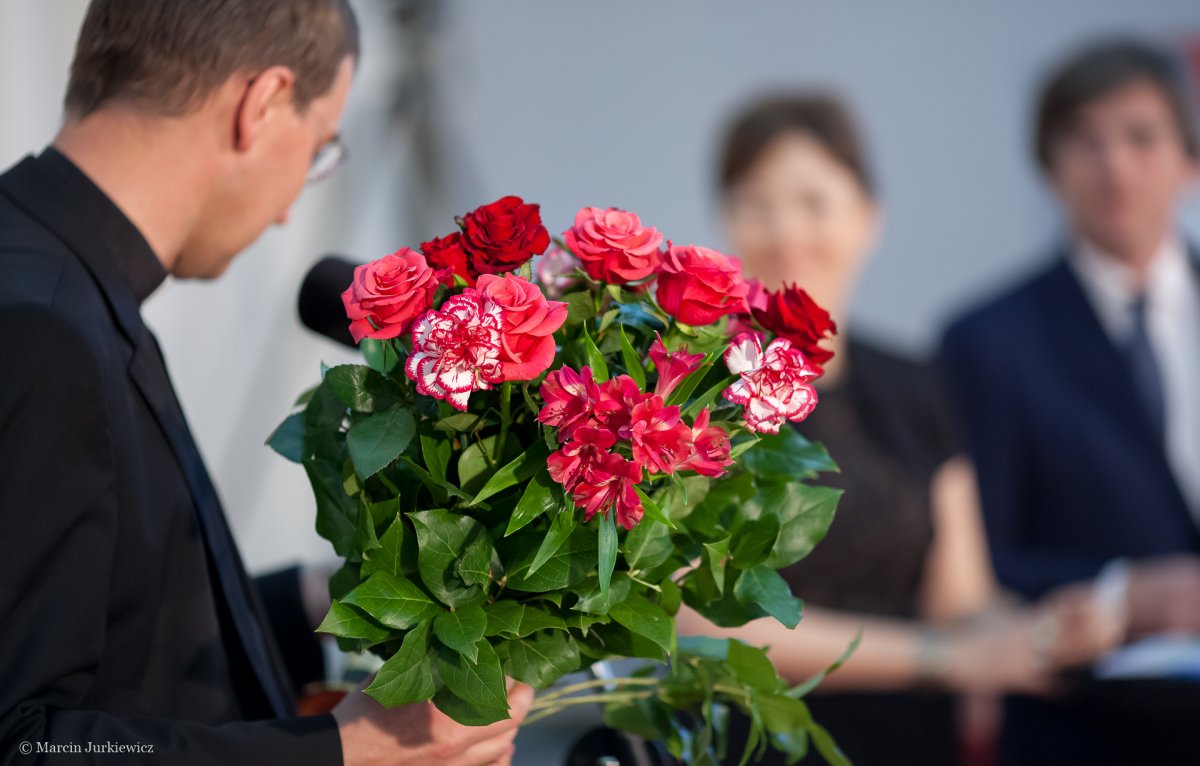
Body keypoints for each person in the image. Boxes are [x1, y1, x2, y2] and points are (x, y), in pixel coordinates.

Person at [0, 2, 531, 765]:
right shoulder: (42, 326)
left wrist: (333, 594)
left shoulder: (53, 283)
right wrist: (342, 751)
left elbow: (115, 636)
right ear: (263, 102)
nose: (288, 213)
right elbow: (23, 743)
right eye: (319, 149)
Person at [676, 92, 1123, 765]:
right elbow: (697, 618)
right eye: (755, 204)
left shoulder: (914, 387)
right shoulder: (693, 390)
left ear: (868, 219)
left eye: (813, 203)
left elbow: (961, 599)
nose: (786, 230)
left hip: (907, 741)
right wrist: (939, 657)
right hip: (744, 742)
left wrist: (1042, 630)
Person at [940, 38, 1200, 765]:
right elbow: (978, 567)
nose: (1116, 166)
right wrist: (1124, 595)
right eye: (1087, 141)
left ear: (1188, 158)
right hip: (1087, 726)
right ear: (1048, 165)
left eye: (1141, 137)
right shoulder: (988, 342)